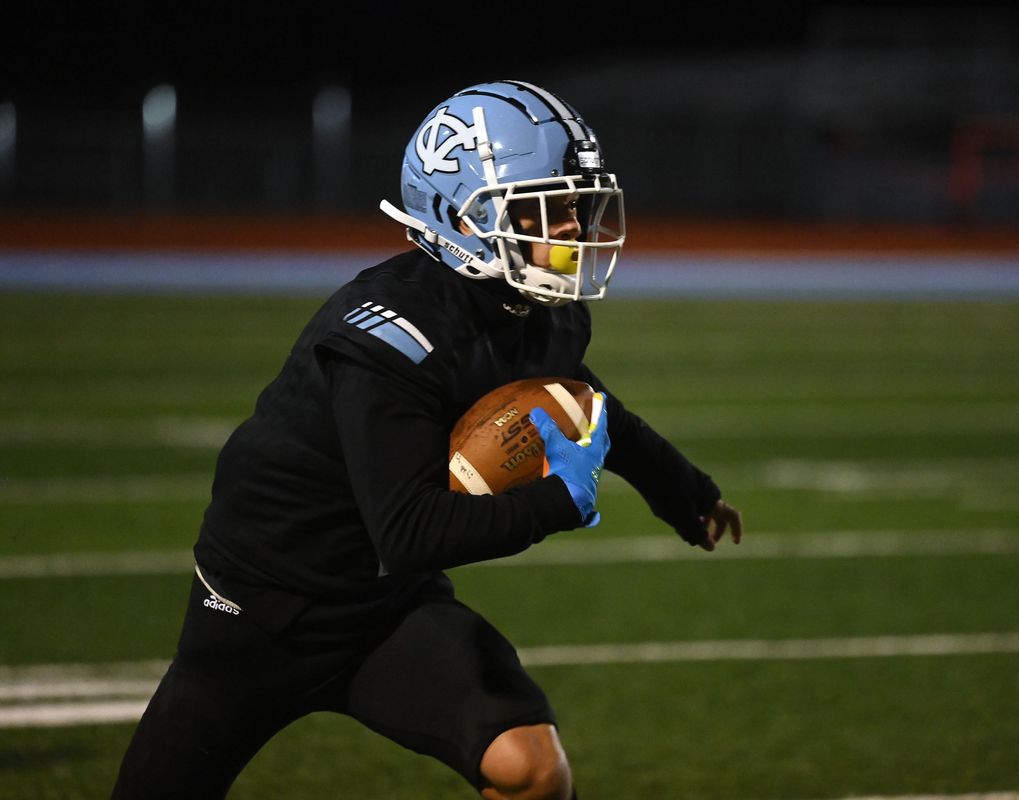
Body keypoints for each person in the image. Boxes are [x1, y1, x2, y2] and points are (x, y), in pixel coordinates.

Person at [112, 79, 743, 800]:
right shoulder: (386, 336)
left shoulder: (535, 308)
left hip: (385, 613)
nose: (571, 227)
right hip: (260, 616)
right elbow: (411, 532)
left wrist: (684, 493)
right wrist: (560, 501)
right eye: (547, 208)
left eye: (576, 205)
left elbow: (591, 408)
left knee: (531, 770)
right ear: (462, 216)